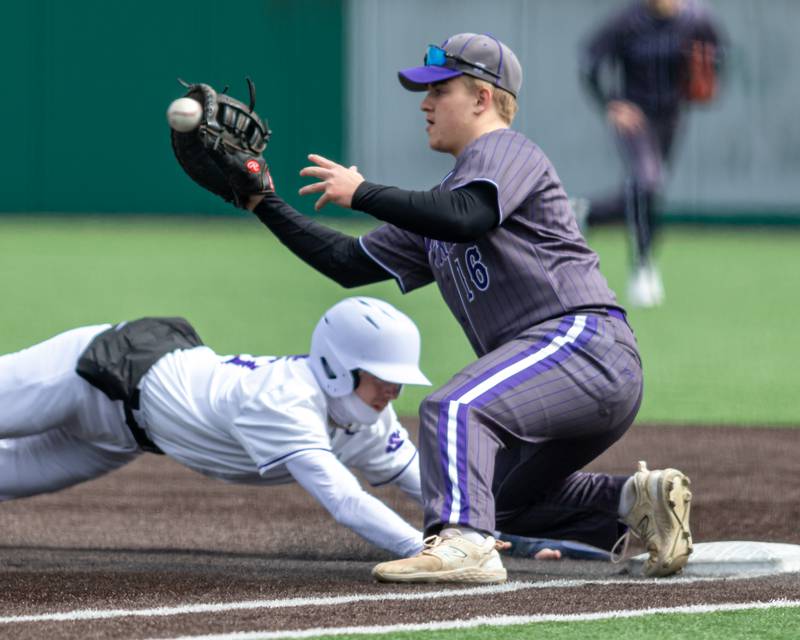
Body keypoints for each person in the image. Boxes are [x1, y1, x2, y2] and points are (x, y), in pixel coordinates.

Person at [231, 33, 692, 583]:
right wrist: (264, 202)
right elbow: (347, 263)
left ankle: (465, 547)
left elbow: (468, 214)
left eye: (439, 90)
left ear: (482, 98)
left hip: (583, 345)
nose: (424, 103)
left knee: (453, 408)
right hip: (561, 369)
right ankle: (635, 503)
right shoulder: (445, 203)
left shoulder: (505, 150)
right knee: (493, 496)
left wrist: (363, 192)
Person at [0, 297, 433, 559]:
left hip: (123, 436)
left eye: (398, 380)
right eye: (382, 377)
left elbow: (432, 488)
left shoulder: (369, 419)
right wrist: (424, 549)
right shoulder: (285, 401)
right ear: (339, 366)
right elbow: (344, 500)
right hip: (91, 372)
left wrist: (488, 528)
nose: (393, 391)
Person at [579, 0, 726, 307]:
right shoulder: (628, 20)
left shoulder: (696, 19)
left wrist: (707, 77)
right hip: (635, 117)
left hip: (671, 118)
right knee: (648, 182)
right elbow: (590, 61)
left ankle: (583, 213)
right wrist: (610, 102)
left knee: (645, 191)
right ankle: (643, 267)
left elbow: (719, 56)